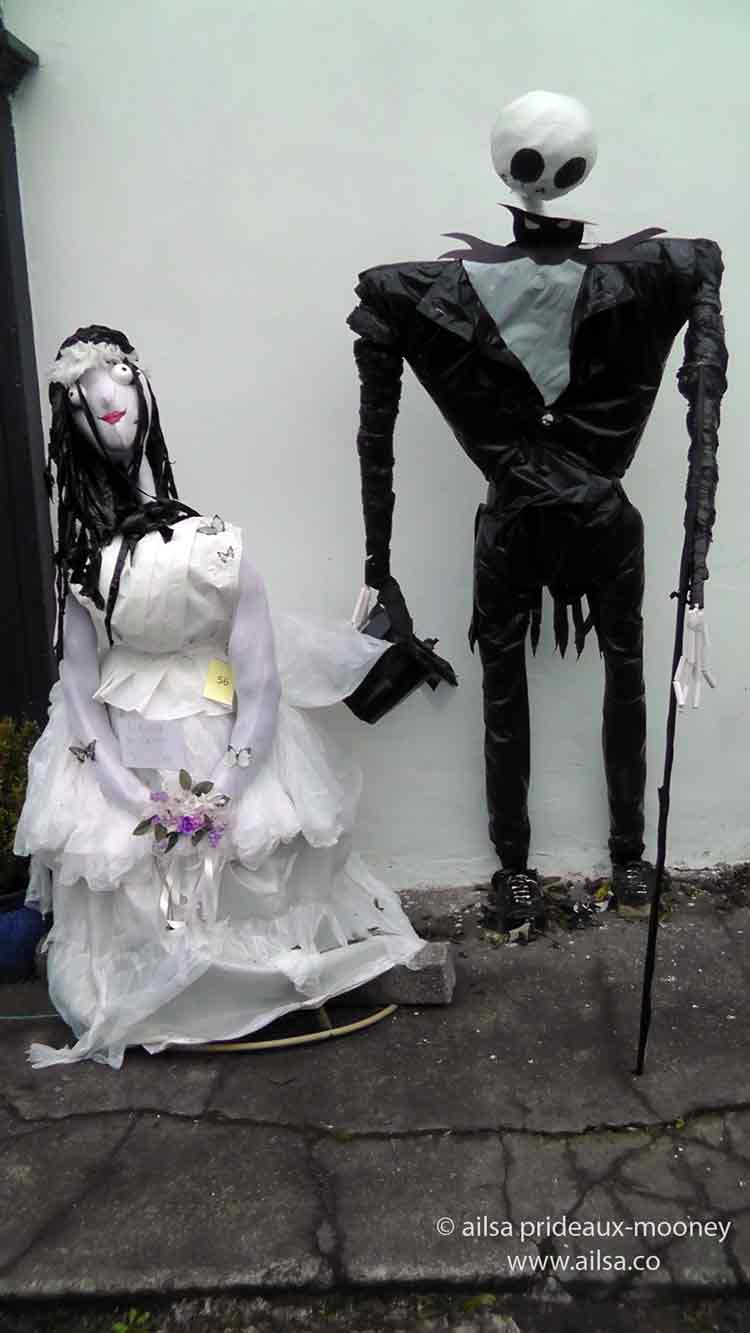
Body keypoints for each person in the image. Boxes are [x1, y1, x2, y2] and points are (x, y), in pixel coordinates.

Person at [348, 91, 728, 930]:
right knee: (568, 681)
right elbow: (704, 376)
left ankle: (599, 856)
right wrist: (377, 569)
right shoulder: (657, 274)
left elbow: (379, 405)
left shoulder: (429, 291)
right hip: (556, 518)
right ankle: (569, 859)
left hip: (554, 517)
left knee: (557, 683)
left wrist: (378, 567)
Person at [15, 324, 423, 1068]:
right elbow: (78, 684)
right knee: (127, 864)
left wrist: (231, 781)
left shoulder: (217, 545)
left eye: (122, 384)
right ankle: (158, 983)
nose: (110, 404)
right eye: (88, 399)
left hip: (216, 731)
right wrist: (122, 789)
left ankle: (253, 975)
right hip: (128, 741)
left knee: (249, 854)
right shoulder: (82, 566)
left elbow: (258, 677)